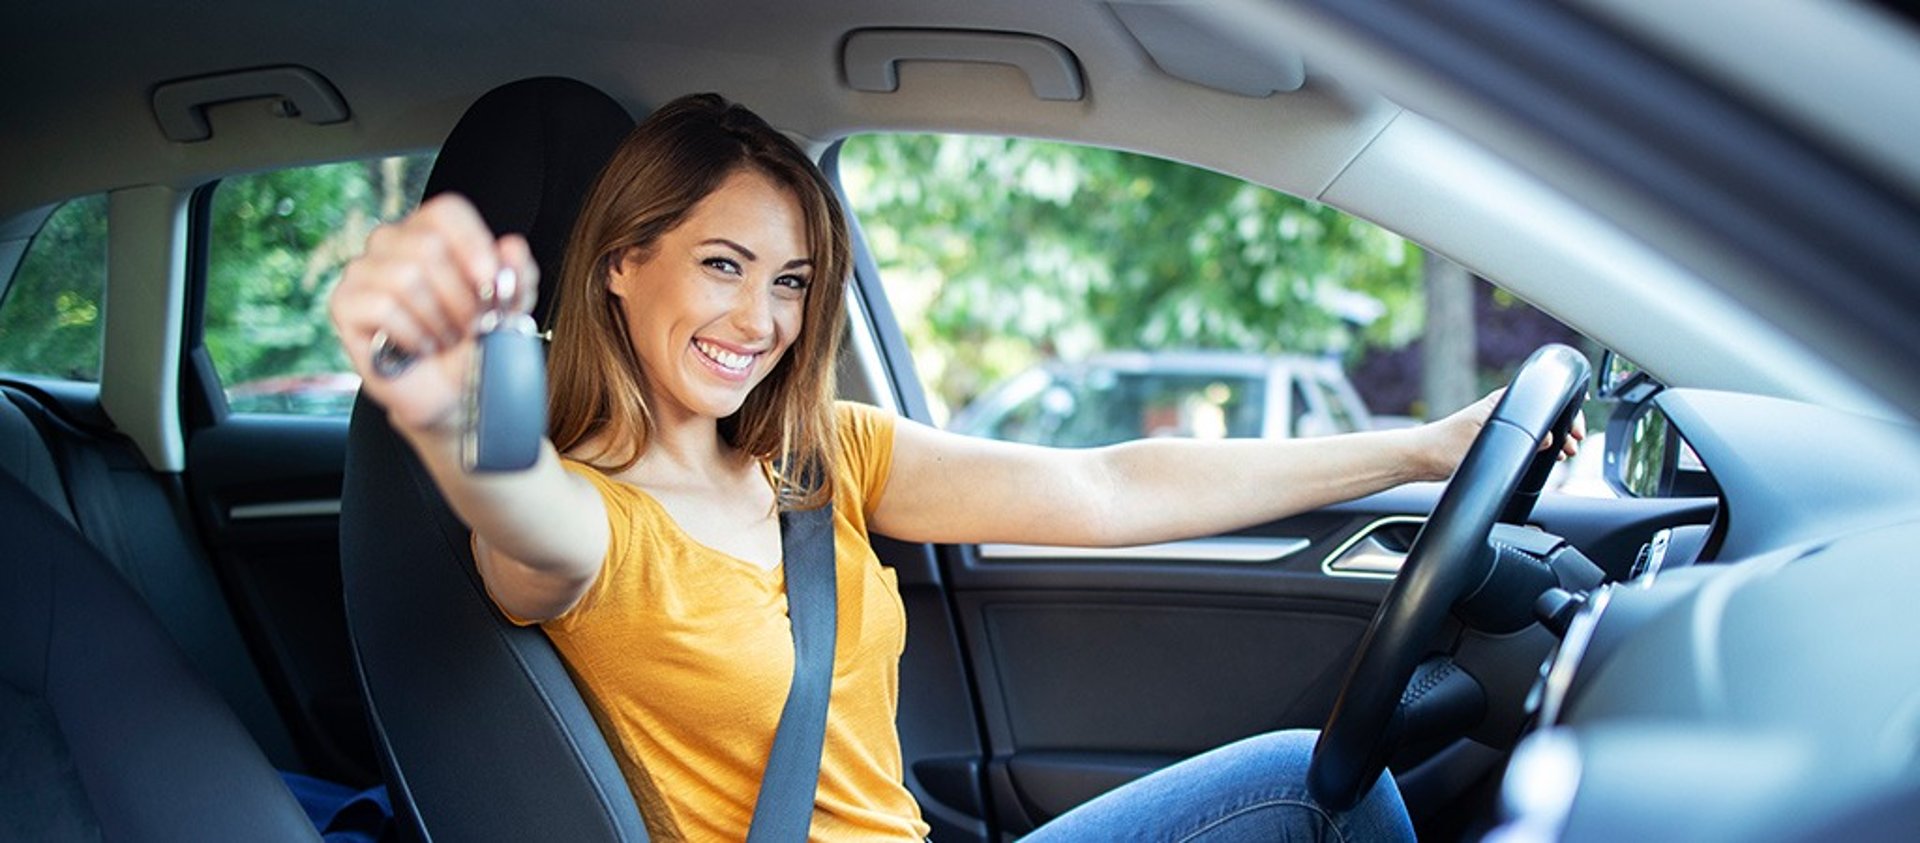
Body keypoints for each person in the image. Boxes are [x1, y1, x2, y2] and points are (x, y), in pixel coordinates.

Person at [329, 93, 1577, 841]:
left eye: (790, 282)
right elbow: (515, 512)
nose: (757, 320)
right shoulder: (591, 529)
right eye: (720, 264)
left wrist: (1426, 447)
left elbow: (1108, 487)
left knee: (1308, 777)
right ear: (619, 262)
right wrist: (442, 405)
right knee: (1316, 793)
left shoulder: (822, 458)